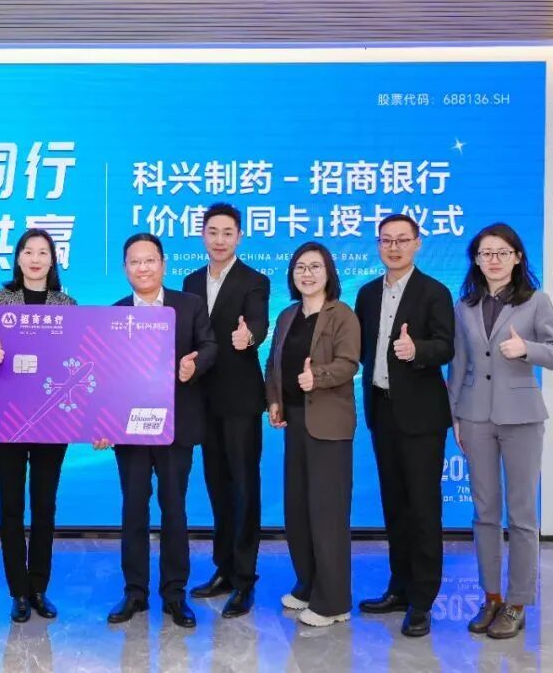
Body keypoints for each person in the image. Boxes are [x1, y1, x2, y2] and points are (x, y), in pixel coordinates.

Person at [448, 223, 553, 639]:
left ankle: (517, 603)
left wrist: (526, 350)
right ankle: (491, 597)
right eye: (486, 253)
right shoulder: (465, 305)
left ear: (517, 257)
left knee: (521, 515)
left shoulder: (536, 301)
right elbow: (459, 364)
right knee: (484, 513)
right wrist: (455, 417)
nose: (494, 260)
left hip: (522, 418)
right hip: (475, 417)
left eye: (502, 252)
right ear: (476, 260)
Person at [94, 233, 217, 629]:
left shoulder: (189, 304)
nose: (143, 268)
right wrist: (102, 422)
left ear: (163, 264)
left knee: (174, 508)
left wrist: (193, 366)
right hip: (129, 430)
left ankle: (175, 594)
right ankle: (135, 592)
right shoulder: (115, 313)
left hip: (175, 427)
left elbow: (210, 346)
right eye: (135, 262)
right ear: (125, 269)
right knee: (133, 509)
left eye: (150, 260)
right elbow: (104, 375)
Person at [354, 214, 455, 638]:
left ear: (417, 243)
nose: (393, 247)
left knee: (423, 508)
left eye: (402, 240)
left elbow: (447, 346)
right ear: (378, 245)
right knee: (394, 505)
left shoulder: (435, 291)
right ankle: (399, 587)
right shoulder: (367, 293)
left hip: (422, 416)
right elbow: (360, 349)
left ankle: (422, 600)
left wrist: (418, 351)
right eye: (386, 240)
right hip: (382, 410)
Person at [0, 229, 77, 623]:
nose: (35, 259)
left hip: (53, 419)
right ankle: (18, 590)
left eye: (43, 252)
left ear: (53, 260)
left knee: (44, 505)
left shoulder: (66, 304)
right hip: (9, 417)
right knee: (11, 506)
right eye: (28, 252)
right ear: (18, 258)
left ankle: (39, 588)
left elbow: (75, 358)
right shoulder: (1, 299)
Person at [264, 242, 360, 627]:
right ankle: (308, 585)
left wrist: (315, 377)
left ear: (328, 272)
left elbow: (348, 364)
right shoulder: (287, 315)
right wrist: (274, 400)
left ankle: (334, 602)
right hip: (295, 423)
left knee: (327, 513)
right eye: (300, 267)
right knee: (299, 509)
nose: (307, 274)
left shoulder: (342, 315)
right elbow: (273, 363)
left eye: (315, 267)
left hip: (329, 426)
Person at [183, 203, 270, 618]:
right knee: (217, 486)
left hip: (240, 400)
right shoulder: (190, 281)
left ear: (239, 237)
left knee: (244, 488)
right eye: (212, 232)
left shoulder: (255, 280)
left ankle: (245, 578)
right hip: (202, 400)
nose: (219, 240)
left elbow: (259, 324)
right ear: (203, 235)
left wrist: (248, 337)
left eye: (227, 233)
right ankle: (224, 568)